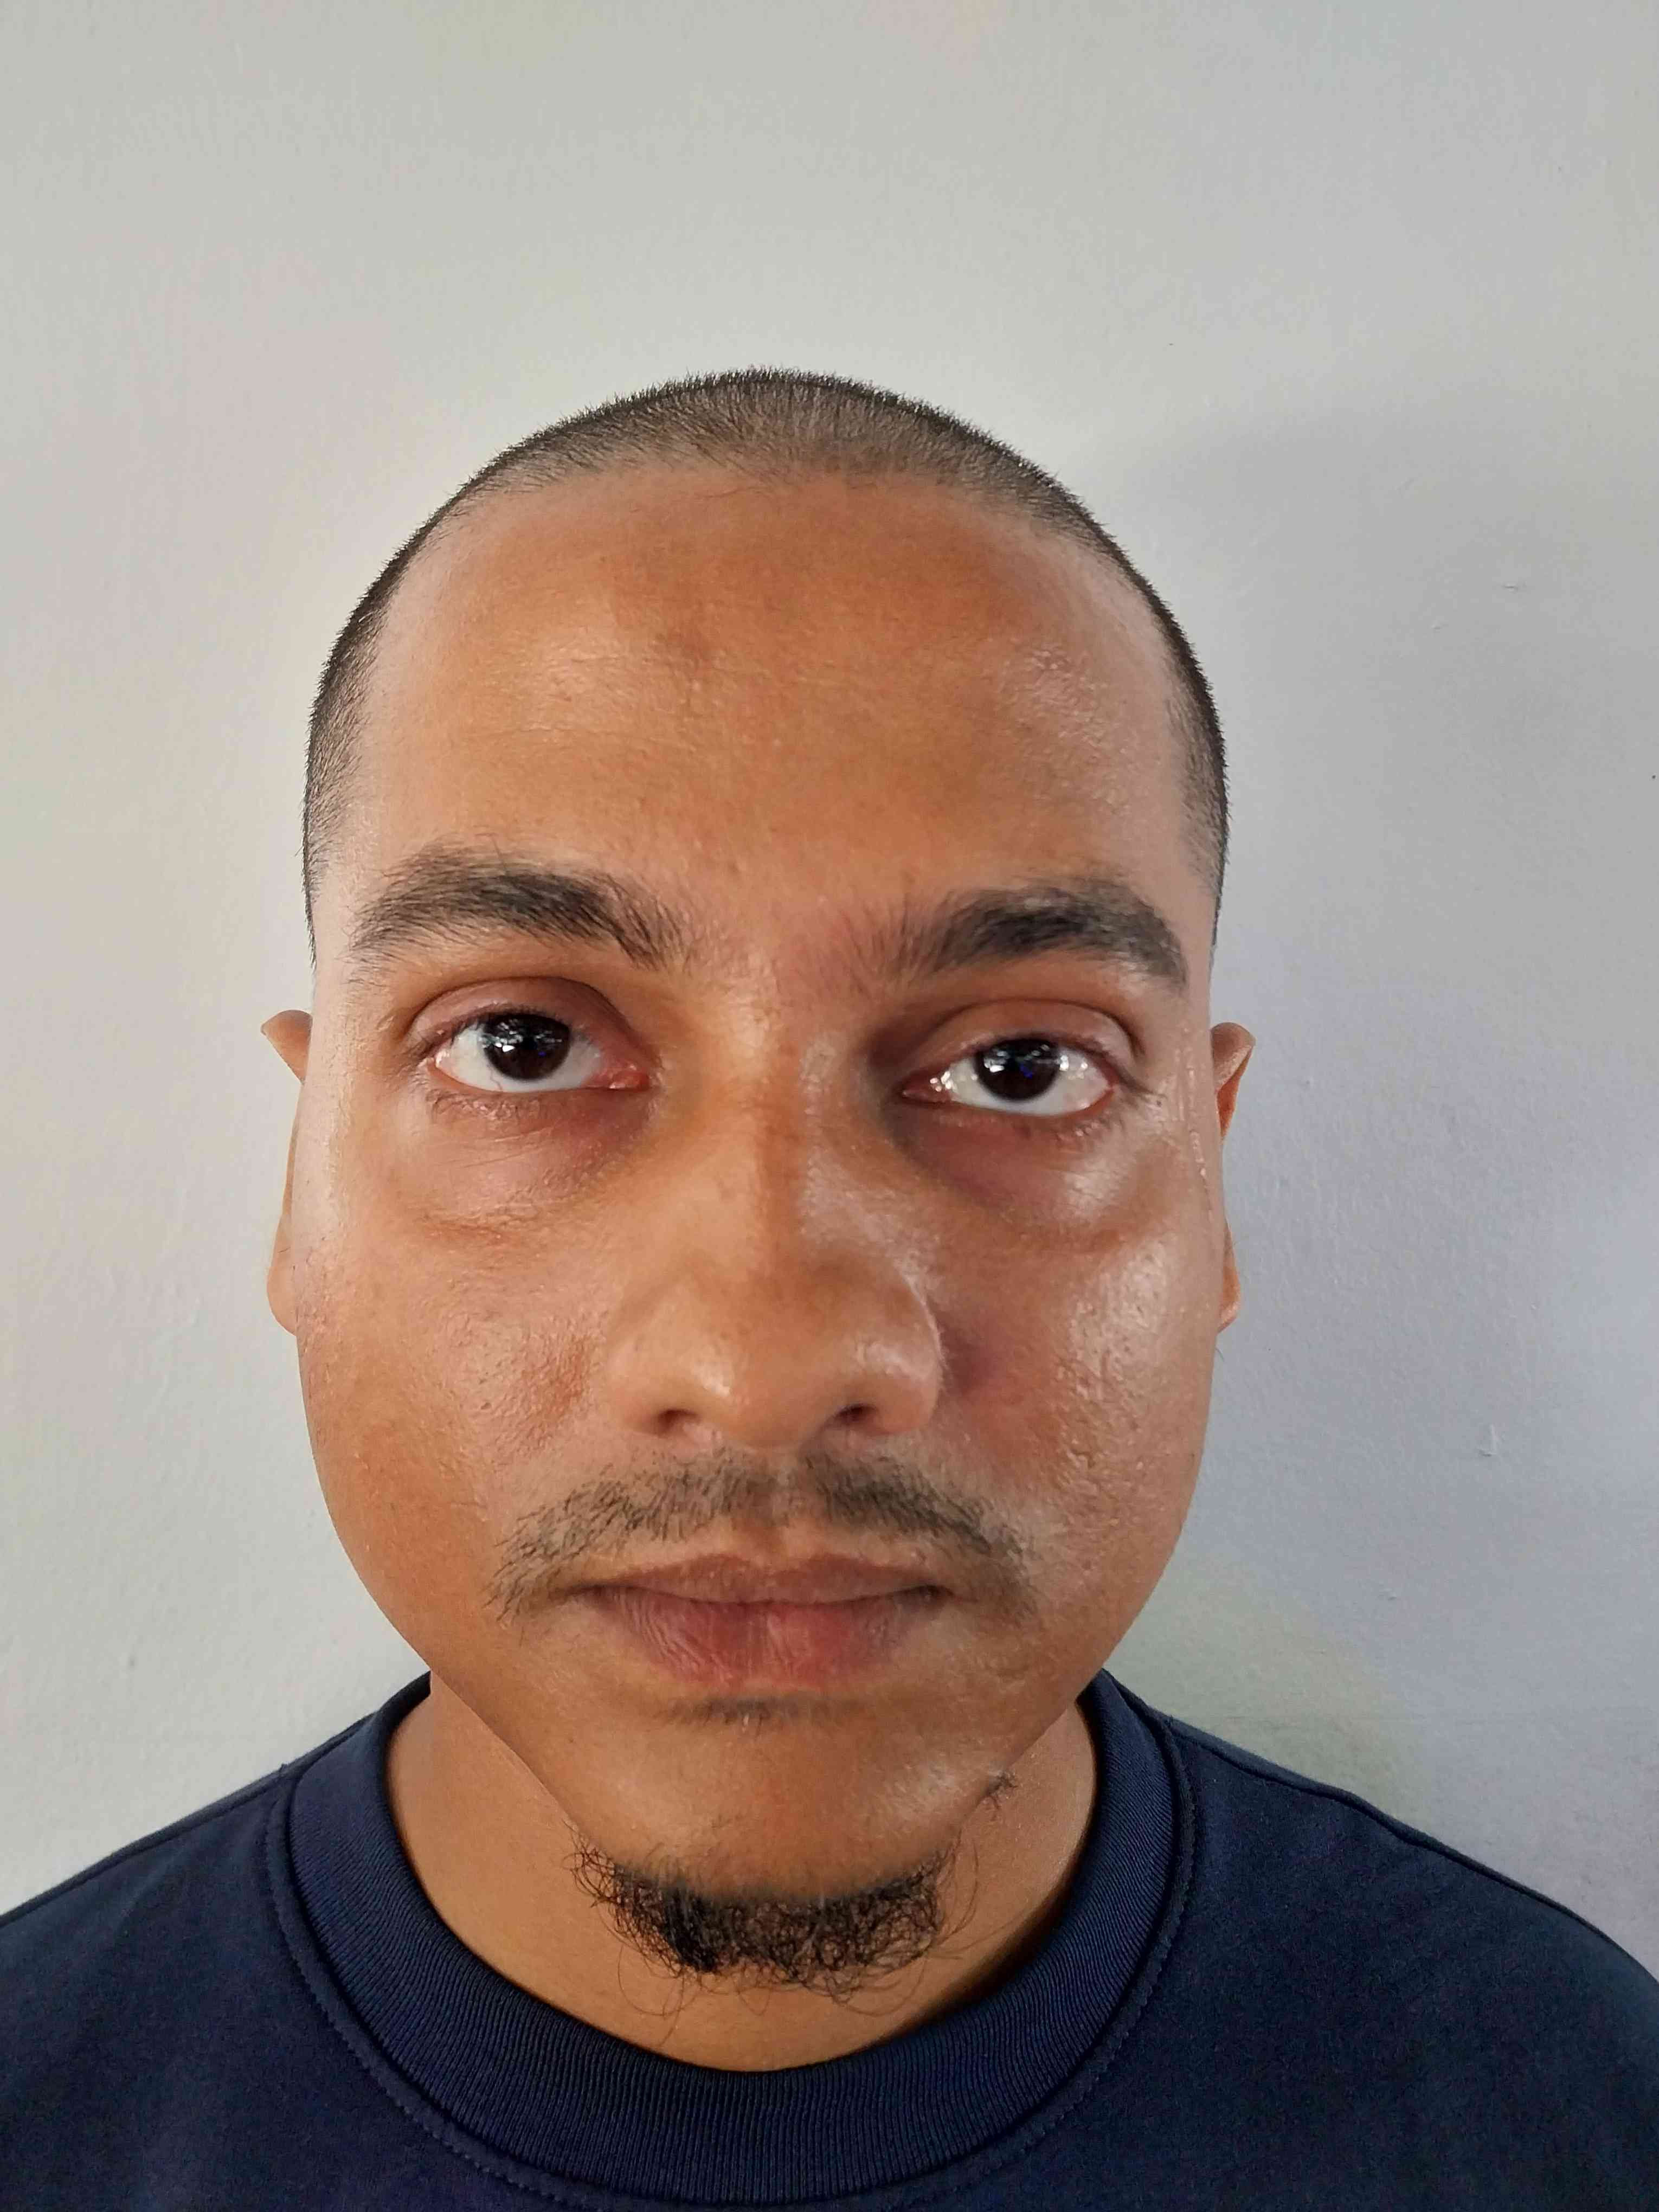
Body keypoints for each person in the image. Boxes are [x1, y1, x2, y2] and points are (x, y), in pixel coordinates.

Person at [3, 368, 1654, 2207]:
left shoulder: (1575, 2121)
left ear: (1211, 1184)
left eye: (1021, 1067)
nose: (769, 1357)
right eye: (525, 1045)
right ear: (303, 1189)